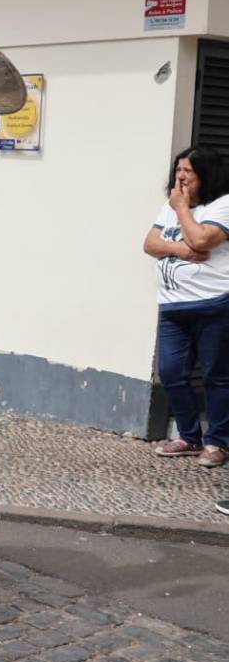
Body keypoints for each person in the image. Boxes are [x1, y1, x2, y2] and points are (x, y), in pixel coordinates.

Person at [144, 146, 229, 468]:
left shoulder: (223, 205)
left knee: (216, 376)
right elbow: (150, 244)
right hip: (172, 307)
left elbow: (204, 240)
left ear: (206, 175)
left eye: (188, 172)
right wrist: (178, 249)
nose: (180, 177)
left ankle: (217, 443)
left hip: (215, 304)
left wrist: (181, 209)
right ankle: (189, 437)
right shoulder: (171, 206)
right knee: (171, 373)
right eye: (178, 170)